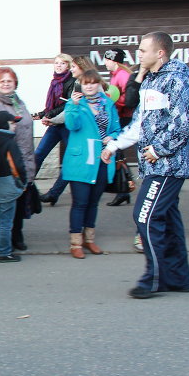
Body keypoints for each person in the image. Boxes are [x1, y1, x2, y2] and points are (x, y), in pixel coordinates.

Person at [102, 32, 189, 298]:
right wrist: (113, 145)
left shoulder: (176, 81)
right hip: (156, 165)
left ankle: (153, 279)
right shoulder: (149, 82)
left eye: (144, 50)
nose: (139, 55)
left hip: (169, 165)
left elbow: (186, 123)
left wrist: (158, 148)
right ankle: (179, 278)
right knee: (166, 219)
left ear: (160, 54)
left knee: (145, 216)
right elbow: (140, 124)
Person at [61, 69, 121, 259]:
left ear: (99, 84)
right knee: (80, 203)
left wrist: (112, 137)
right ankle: (75, 243)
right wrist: (74, 106)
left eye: (93, 83)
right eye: (85, 83)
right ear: (81, 85)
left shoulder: (108, 104)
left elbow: (117, 128)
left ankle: (89, 239)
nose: (89, 86)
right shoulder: (75, 103)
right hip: (81, 160)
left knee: (93, 203)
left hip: (103, 159)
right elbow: (72, 125)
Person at [0, 66, 36, 253]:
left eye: (9, 81)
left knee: (20, 201)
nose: (6, 84)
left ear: (15, 84)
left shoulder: (18, 101)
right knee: (7, 205)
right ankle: (5, 243)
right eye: (2, 81)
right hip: (8, 163)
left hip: (24, 157)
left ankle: (15, 235)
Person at [0, 111, 27, 262]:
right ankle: (4, 252)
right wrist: (23, 182)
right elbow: (18, 166)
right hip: (7, 186)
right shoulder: (9, 142)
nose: (15, 126)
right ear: (5, 124)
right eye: (12, 123)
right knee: (5, 223)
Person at [31, 54, 75, 202]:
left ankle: (53, 194)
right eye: (56, 63)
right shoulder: (55, 81)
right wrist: (41, 114)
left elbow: (67, 105)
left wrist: (49, 114)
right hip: (55, 124)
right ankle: (26, 188)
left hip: (67, 125)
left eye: (62, 63)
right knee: (39, 154)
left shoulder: (72, 81)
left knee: (69, 161)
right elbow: (52, 105)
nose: (59, 65)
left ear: (68, 66)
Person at [103, 48, 136, 207]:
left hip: (124, 117)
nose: (105, 63)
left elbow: (127, 99)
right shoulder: (116, 75)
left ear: (113, 60)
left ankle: (123, 190)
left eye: (107, 60)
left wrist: (114, 102)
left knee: (117, 153)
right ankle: (123, 190)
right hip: (119, 117)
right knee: (118, 154)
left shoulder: (122, 76)